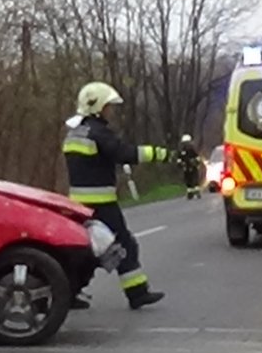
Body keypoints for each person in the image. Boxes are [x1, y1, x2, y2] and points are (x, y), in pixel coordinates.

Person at [63, 82, 167, 309]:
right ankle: (137, 293)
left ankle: (68, 293)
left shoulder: (75, 133)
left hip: (78, 205)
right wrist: (160, 153)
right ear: (98, 107)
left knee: (88, 250)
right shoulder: (99, 133)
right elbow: (124, 153)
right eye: (109, 106)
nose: (112, 111)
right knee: (124, 245)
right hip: (102, 205)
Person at [173, 135, 205, 200]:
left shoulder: (192, 150)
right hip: (186, 168)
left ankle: (197, 192)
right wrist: (180, 164)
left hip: (193, 167)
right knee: (188, 180)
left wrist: (195, 162)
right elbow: (179, 160)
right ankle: (190, 193)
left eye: (187, 143)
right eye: (185, 143)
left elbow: (197, 157)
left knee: (195, 179)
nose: (186, 145)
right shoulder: (182, 152)